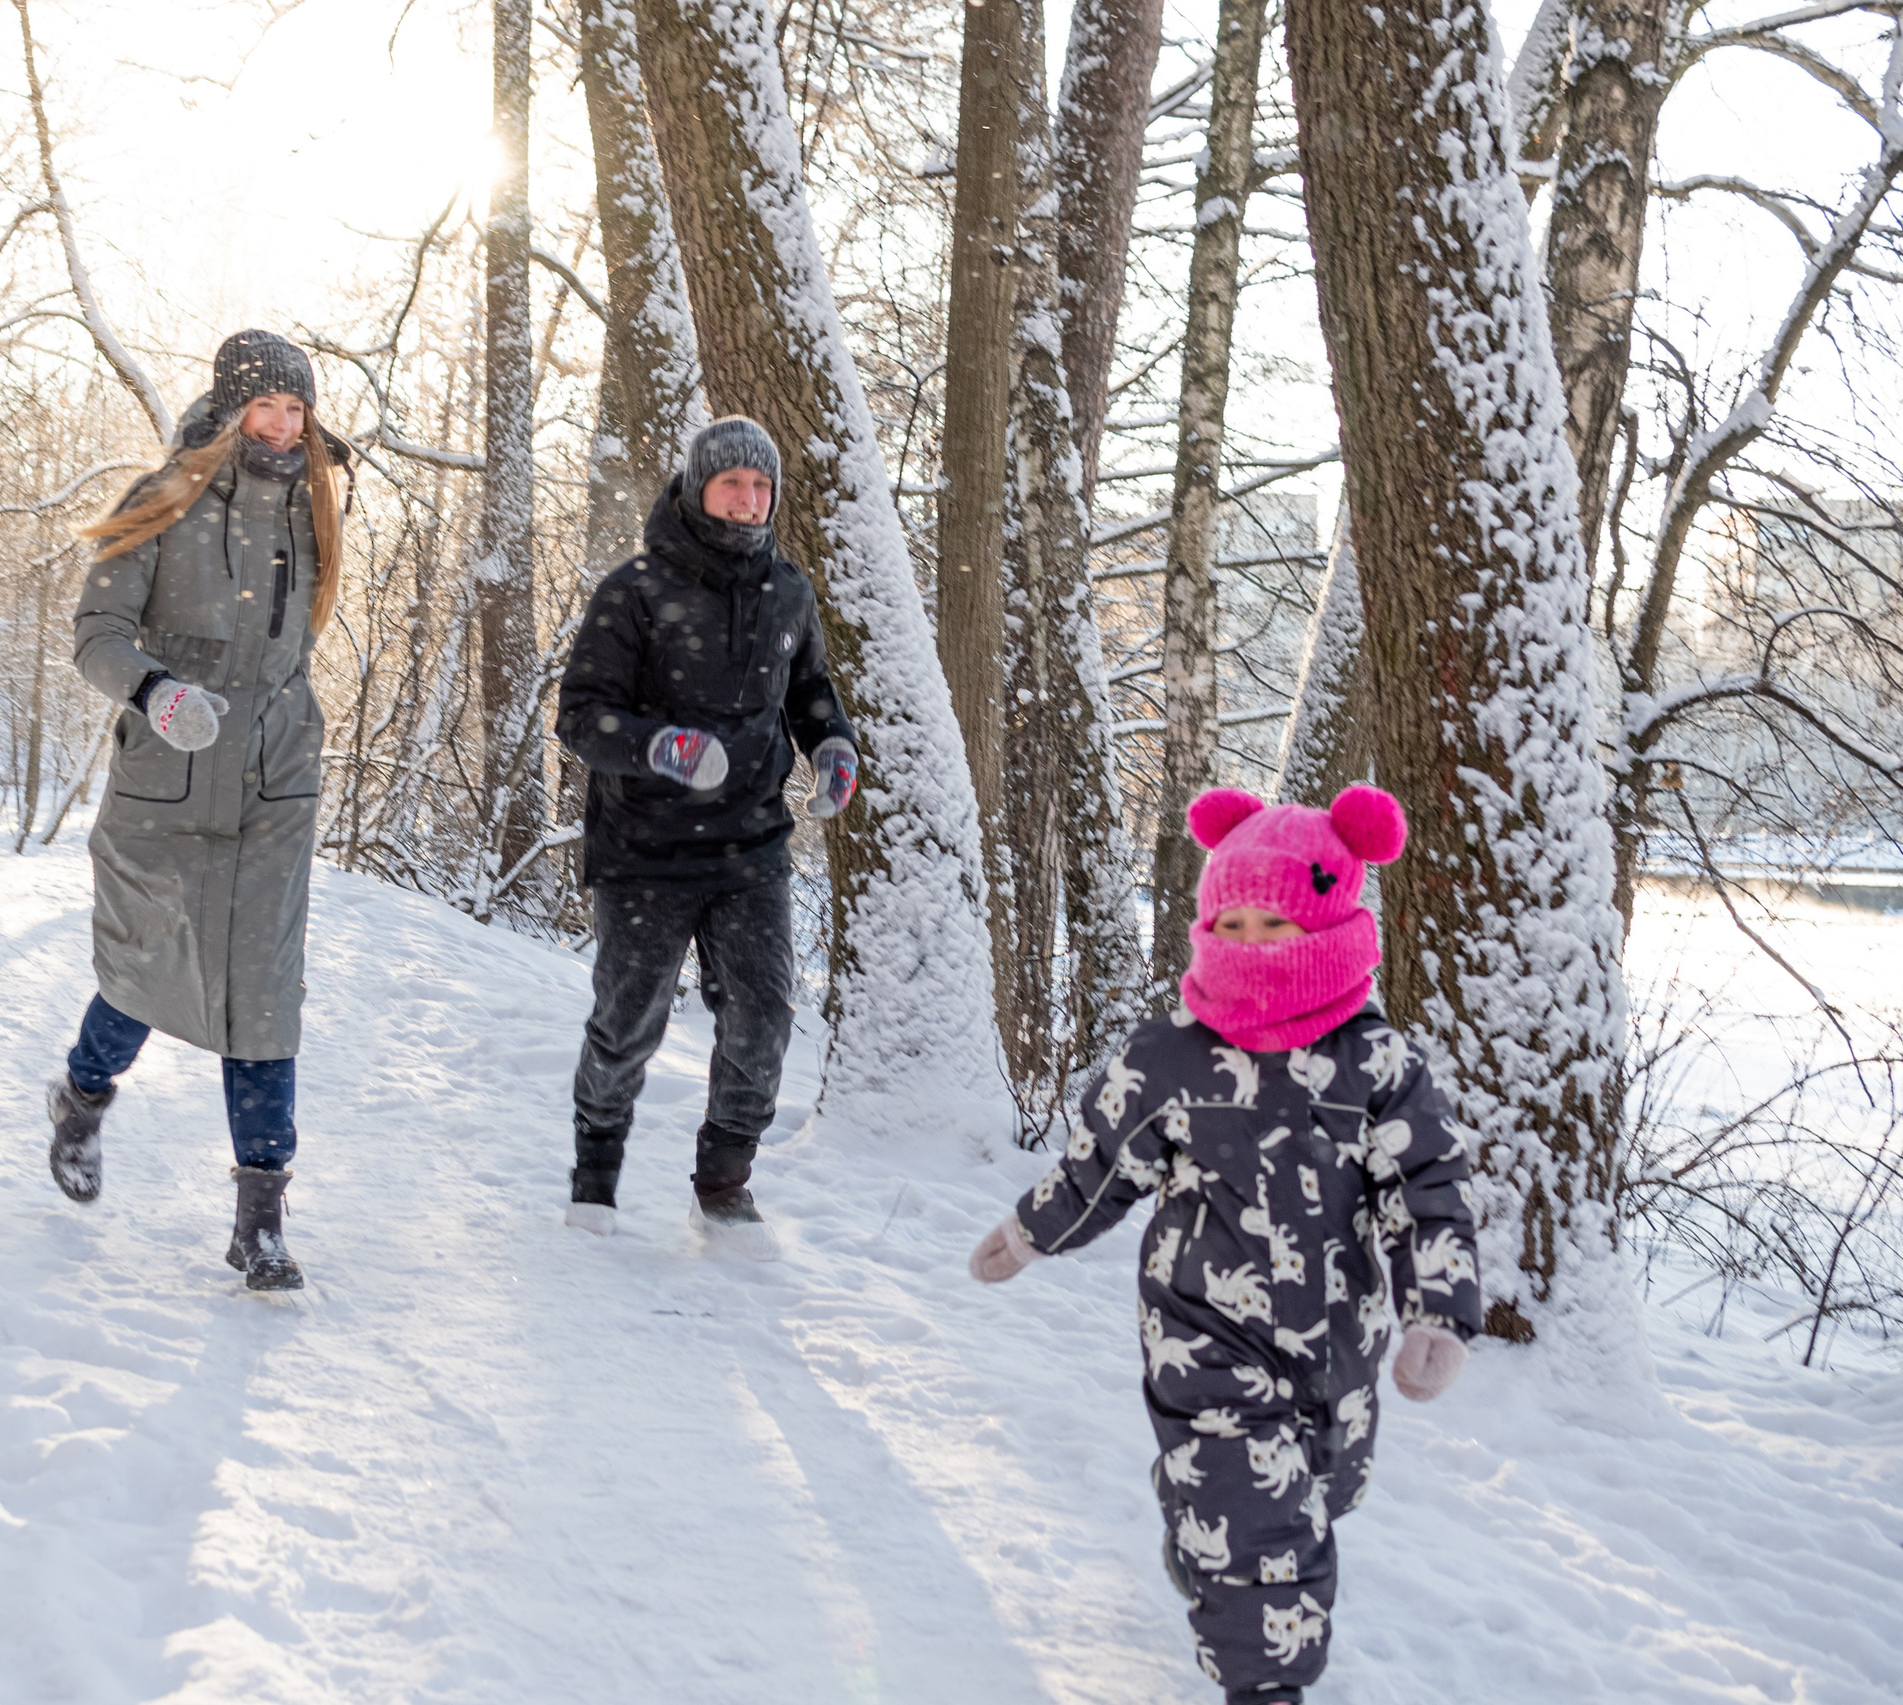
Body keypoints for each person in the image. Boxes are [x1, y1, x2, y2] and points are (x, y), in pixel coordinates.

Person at [967, 785, 1480, 1705]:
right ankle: (1266, 1681)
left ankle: (1201, 1524)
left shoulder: (1375, 1065)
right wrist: (1029, 1232)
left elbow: (1427, 1191)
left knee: (1318, 1498)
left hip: (1337, 1348)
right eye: (1230, 920)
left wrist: (1437, 1309)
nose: (1247, 943)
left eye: (1273, 924)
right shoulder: (1173, 1054)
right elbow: (1102, 1164)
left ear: (1330, 926)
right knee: (1259, 1533)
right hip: (1201, 1333)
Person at [44, 329, 345, 1293]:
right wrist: (153, 690)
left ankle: (260, 1216)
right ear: (230, 410)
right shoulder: (162, 497)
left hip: (275, 778)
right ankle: (82, 1100)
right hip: (170, 769)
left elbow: (299, 640)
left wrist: (295, 724)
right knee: (142, 968)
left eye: (297, 410)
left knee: (264, 990)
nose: (284, 426)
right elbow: (95, 634)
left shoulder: (313, 505)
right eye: (268, 407)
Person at [552, 416, 859, 1258]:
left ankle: (724, 1181)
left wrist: (833, 746)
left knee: (765, 1011)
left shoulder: (788, 591)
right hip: (644, 848)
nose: (749, 500)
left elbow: (811, 692)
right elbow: (580, 715)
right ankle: (597, 1164)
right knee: (629, 1021)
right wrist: (661, 745)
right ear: (697, 488)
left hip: (751, 844)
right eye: (733, 484)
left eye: (762, 487)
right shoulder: (635, 590)